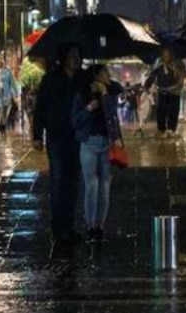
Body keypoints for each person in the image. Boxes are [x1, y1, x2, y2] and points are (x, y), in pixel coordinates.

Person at [33, 43, 86, 245]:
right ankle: (58, 227)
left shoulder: (83, 78)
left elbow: (109, 88)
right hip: (56, 136)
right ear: (64, 57)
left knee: (73, 182)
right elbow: (41, 108)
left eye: (78, 55)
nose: (76, 59)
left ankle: (69, 226)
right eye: (72, 54)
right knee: (58, 180)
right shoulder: (51, 79)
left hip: (78, 136)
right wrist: (37, 135)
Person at [71, 65, 122, 242]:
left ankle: (100, 225)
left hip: (107, 143)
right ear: (96, 76)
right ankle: (91, 225)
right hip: (89, 143)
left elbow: (111, 113)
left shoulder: (111, 94)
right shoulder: (82, 95)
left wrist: (105, 95)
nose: (108, 76)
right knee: (91, 185)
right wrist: (88, 108)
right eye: (105, 73)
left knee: (105, 187)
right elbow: (75, 121)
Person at [144, 47, 186, 137]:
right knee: (161, 111)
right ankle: (161, 129)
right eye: (164, 55)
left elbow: (182, 76)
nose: (166, 57)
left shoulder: (177, 63)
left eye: (168, 55)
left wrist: (175, 71)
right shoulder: (159, 64)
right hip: (162, 91)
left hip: (174, 92)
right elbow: (152, 75)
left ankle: (171, 129)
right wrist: (147, 85)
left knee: (173, 111)